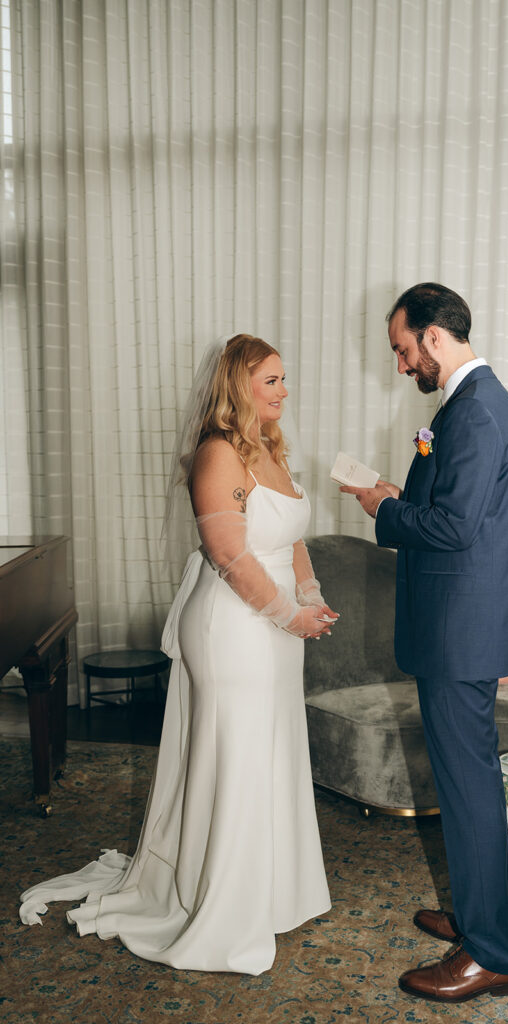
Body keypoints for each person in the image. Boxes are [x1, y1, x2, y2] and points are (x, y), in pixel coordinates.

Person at [20, 333, 338, 975]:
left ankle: (273, 894)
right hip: (235, 626)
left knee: (272, 752)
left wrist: (310, 595)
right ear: (239, 386)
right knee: (239, 757)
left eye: (284, 379)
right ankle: (223, 903)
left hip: (276, 623)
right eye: (271, 380)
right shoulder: (217, 454)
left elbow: (291, 539)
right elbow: (229, 556)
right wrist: (287, 614)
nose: (284, 389)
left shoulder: (271, 450)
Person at [341, 283, 508, 1003]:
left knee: (469, 788)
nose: (398, 365)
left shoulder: (477, 412)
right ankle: (479, 916)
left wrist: (387, 510)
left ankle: (491, 953)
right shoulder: (467, 407)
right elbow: (457, 512)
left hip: (459, 633)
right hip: (458, 626)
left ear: (431, 336)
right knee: (466, 786)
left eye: (399, 348)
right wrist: (396, 493)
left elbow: (452, 530)